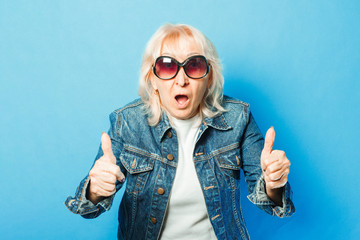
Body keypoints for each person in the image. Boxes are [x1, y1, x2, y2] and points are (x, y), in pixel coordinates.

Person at [65, 23, 295, 240]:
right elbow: (86, 208)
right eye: (167, 66)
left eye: (194, 65)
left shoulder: (238, 118)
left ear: (209, 77)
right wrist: (95, 190)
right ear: (152, 80)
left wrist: (273, 183)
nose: (181, 80)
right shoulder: (127, 122)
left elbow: (272, 203)